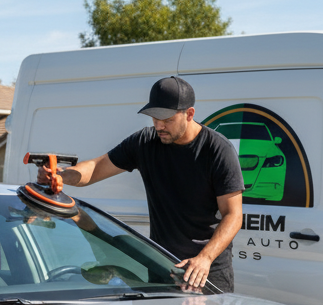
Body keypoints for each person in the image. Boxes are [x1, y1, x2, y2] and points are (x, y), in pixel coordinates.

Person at [39, 76, 244, 292]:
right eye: (154, 118)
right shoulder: (144, 143)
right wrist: (61, 176)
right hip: (162, 267)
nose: (159, 125)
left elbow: (233, 215)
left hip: (206, 272)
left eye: (167, 119)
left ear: (189, 114)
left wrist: (205, 258)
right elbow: (96, 168)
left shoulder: (217, 150)